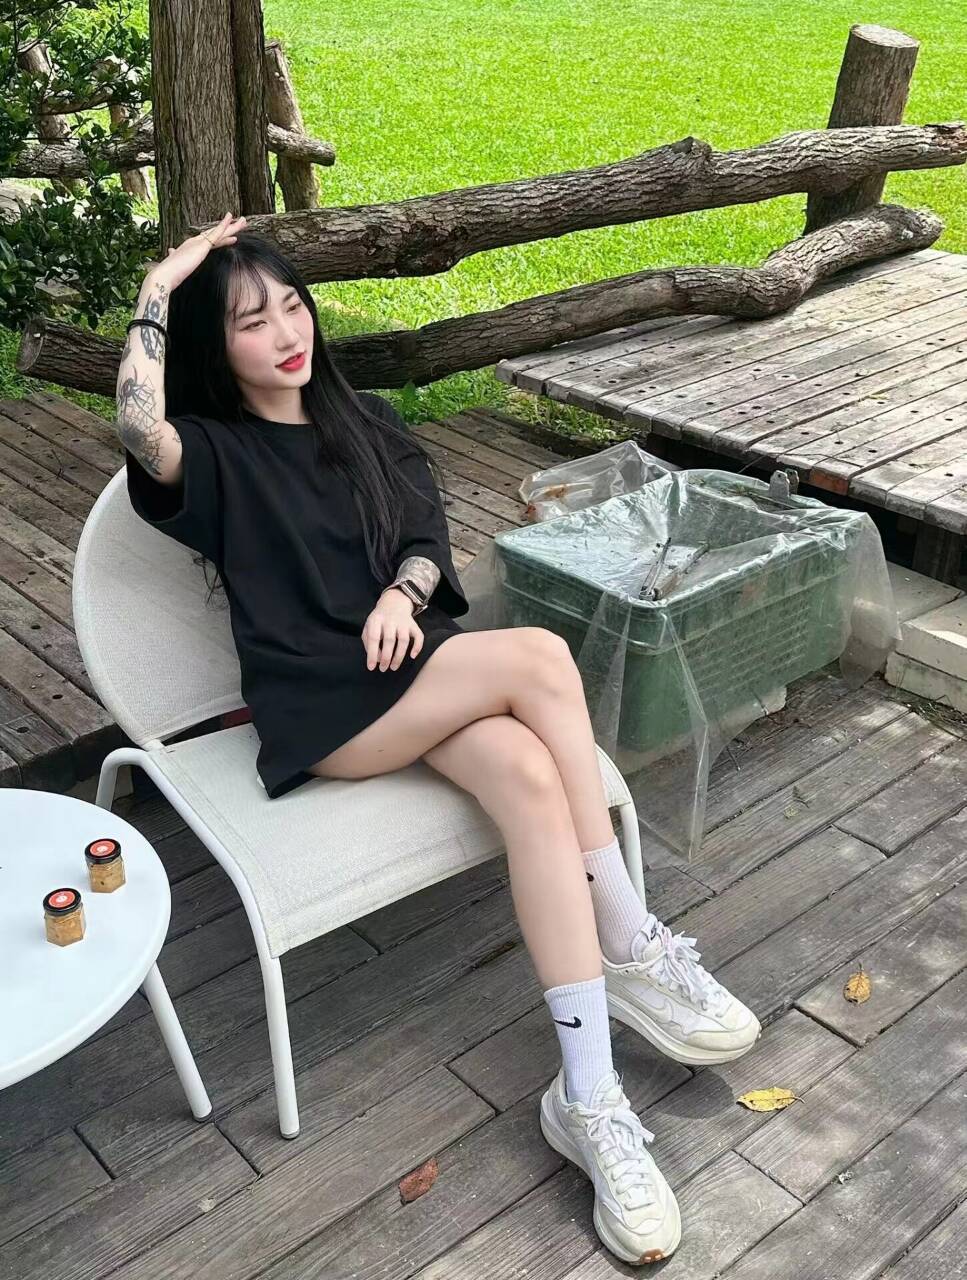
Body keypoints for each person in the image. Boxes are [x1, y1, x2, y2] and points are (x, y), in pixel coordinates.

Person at [118, 213, 761, 1266]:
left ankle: (587, 1097)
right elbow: (139, 429)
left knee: (527, 775)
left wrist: (403, 595)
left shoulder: (364, 420)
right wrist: (162, 282)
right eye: (250, 321)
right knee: (540, 658)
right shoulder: (218, 456)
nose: (286, 332)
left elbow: (423, 535)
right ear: (214, 345)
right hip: (325, 707)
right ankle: (631, 941)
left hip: (413, 672)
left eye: (292, 305)